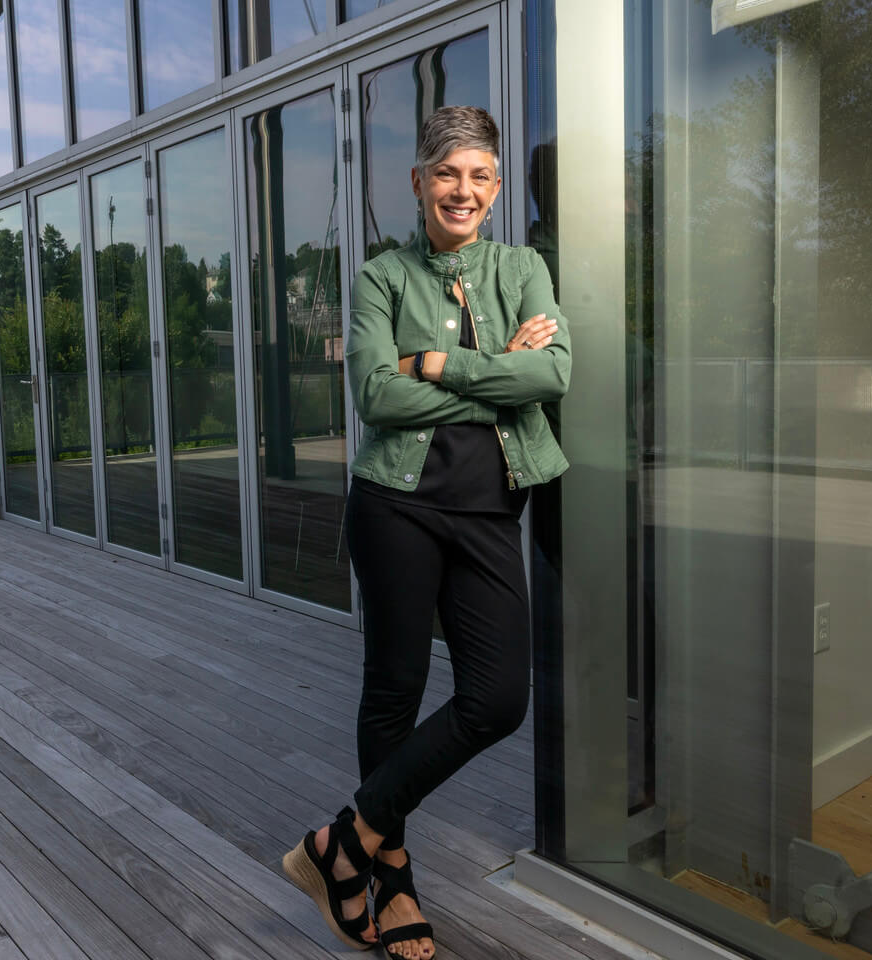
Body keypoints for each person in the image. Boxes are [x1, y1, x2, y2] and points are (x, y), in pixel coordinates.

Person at [282, 105, 571, 960]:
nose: (464, 190)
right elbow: (375, 396)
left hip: (489, 513)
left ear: (496, 188)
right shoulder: (380, 278)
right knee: (394, 689)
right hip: (394, 505)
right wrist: (497, 378)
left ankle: (340, 841)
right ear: (419, 182)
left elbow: (553, 371)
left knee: (496, 699)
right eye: (448, 173)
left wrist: (437, 364)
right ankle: (393, 880)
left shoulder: (523, 268)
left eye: (481, 175)